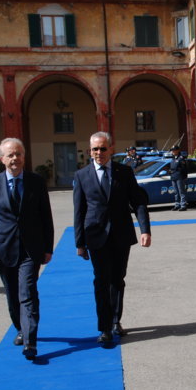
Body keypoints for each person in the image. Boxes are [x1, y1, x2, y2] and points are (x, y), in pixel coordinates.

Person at [0, 138, 54, 361]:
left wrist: (48, 248)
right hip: (3, 250)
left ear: (24, 156)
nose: (15, 158)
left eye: (18, 154)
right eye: (10, 155)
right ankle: (21, 328)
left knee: (27, 292)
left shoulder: (36, 182)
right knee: (12, 295)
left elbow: (45, 218)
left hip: (31, 250)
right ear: (2, 159)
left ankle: (30, 342)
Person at [73, 131, 151, 345]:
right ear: (90, 151)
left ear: (111, 149)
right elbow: (78, 211)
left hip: (121, 235)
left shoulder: (124, 172)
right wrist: (79, 243)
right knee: (101, 281)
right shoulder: (82, 175)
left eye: (103, 148)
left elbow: (138, 202)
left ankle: (116, 320)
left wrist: (145, 229)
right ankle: (105, 328)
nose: (99, 152)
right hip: (95, 235)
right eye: (95, 149)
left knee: (117, 279)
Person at [168, 145, 188, 211]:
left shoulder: (181, 158)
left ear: (177, 150)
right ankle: (177, 205)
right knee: (176, 192)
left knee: (181, 191)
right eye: (172, 151)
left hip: (180, 177)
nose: (172, 152)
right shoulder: (173, 158)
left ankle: (183, 205)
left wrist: (184, 176)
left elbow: (184, 169)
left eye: (174, 150)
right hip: (173, 177)